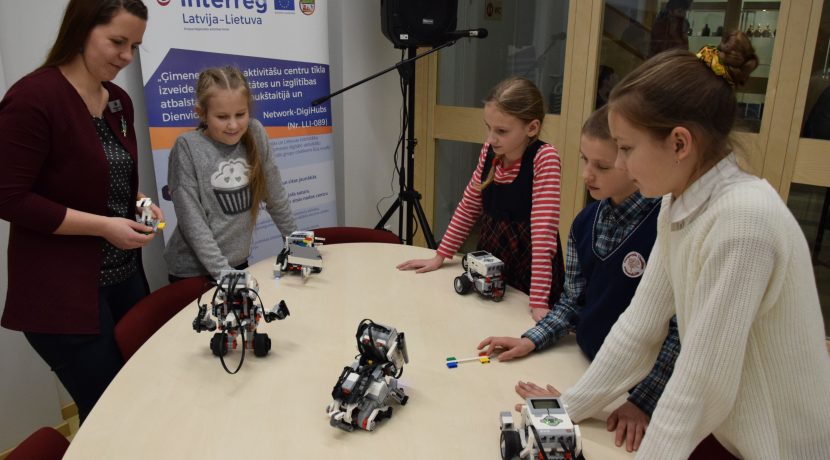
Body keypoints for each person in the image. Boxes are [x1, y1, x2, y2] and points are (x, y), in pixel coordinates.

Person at [516, 32, 830, 459]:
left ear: (679, 143)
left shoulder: (743, 220)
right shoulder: (677, 203)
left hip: (780, 446)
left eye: (626, 149)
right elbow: (638, 326)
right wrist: (566, 408)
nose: (621, 165)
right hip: (732, 433)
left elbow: (703, 382)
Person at [479, 106, 680, 453]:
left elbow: (678, 329)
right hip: (587, 367)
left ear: (633, 163)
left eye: (601, 166)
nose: (587, 174)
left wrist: (642, 401)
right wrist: (532, 339)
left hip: (636, 389)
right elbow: (572, 302)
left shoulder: (667, 227)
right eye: (585, 160)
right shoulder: (585, 222)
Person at [0, 0, 157, 423]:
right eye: (117, 42)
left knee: (145, 392)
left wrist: (138, 202)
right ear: (83, 29)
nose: (126, 57)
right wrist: (103, 226)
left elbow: (105, 175)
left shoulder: (117, 101)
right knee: (110, 413)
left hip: (124, 278)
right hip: (63, 294)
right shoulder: (35, 98)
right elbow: (10, 197)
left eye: (135, 46)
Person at [397, 76, 565, 321]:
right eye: (488, 128)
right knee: (483, 315)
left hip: (530, 263)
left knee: (517, 321)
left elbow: (543, 234)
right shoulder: (490, 151)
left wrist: (539, 301)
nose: (490, 138)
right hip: (492, 251)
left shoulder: (544, 158)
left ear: (532, 128)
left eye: (501, 131)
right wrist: (440, 255)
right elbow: (468, 206)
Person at [164, 66, 296, 283]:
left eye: (240, 114)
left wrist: (300, 248)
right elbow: (193, 224)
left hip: (236, 263)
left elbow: (276, 198)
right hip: (193, 271)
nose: (233, 125)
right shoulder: (187, 147)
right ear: (202, 114)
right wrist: (225, 275)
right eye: (222, 117)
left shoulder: (255, 132)